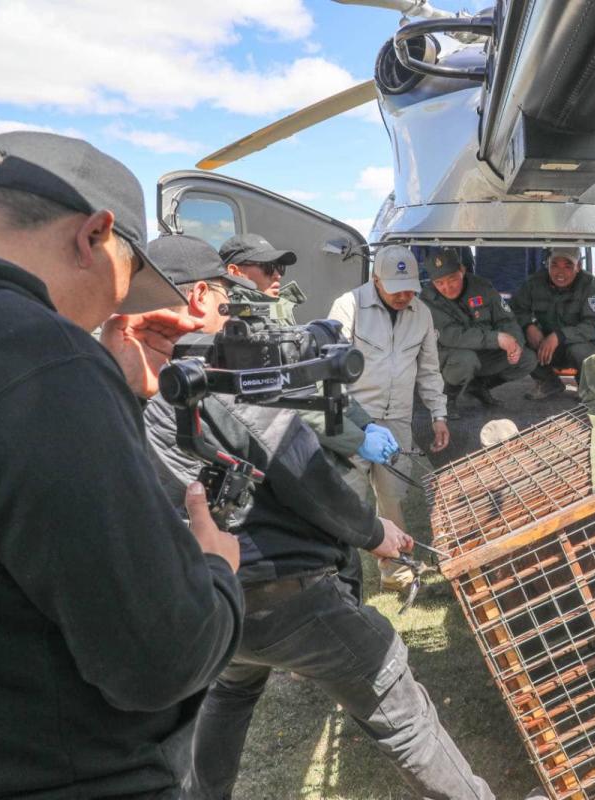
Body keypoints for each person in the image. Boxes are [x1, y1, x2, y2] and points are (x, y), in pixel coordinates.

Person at [140, 233, 497, 800]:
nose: (235, 314)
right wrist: (375, 533)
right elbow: (305, 475)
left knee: (231, 691)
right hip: (286, 595)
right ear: (201, 295)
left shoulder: (135, 383)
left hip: (214, 594)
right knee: (397, 704)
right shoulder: (222, 378)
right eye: (227, 300)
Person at [0, 131, 243, 798]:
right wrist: (217, 570)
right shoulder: (38, 353)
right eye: (122, 290)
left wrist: (116, 393)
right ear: (93, 236)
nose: (114, 315)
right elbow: (161, 657)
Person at [329, 245, 449, 588]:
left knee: (393, 496)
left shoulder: (422, 314)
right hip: (354, 417)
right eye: (396, 289)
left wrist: (438, 414)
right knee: (347, 498)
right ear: (375, 280)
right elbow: (331, 368)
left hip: (397, 418)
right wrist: (347, 422)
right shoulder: (348, 305)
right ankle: (337, 575)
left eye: (410, 288)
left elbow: (429, 370)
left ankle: (395, 571)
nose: (404, 296)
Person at [421, 247, 537, 416]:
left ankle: (478, 386)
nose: (447, 287)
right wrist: (496, 339)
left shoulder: (482, 286)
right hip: (447, 356)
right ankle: (446, 399)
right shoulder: (428, 299)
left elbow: (506, 319)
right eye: (439, 283)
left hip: (481, 350)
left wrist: (515, 343)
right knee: (466, 360)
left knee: (527, 359)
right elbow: (451, 335)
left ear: (462, 270)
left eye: (452, 279)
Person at [510, 246, 595, 400]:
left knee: (580, 350)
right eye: (554, 265)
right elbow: (514, 310)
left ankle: (587, 387)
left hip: (575, 345)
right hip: (545, 347)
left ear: (578, 267)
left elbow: (594, 326)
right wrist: (528, 325)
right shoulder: (534, 282)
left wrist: (559, 336)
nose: (560, 273)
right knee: (514, 340)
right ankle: (548, 382)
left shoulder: (589, 284)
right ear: (547, 264)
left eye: (568, 266)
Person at [220, 231, 305, 317]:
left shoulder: (278, 310)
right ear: (235, 272)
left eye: (279, 267)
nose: (277, 275)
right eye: (268, 267)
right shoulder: (224, 318)